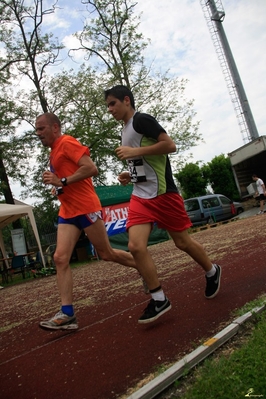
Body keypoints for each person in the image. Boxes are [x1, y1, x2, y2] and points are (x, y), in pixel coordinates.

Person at [104, 85, 222, 324]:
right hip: (140, 196)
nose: (110, 109)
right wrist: (130, 175)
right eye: (107, 106)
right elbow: (143, 161)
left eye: (112, 103)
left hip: (163, 194)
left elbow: (170, 146)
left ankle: (212, 270)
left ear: (126, 100)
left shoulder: (142, 120)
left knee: (182, 242)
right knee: (136, 246)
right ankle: (159, 298)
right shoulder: (125, 129)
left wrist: (134, 151)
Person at [36, 112, 139, 331]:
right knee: (60, 258)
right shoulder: (54, 151)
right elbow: (65, 180)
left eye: (41, 129)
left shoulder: (67, 142)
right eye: (36, 130)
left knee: (106, 254)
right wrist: (58, 185)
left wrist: (61, 180)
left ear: (55, 127)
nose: (38, 134)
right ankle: (67, 314)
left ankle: (145, 268)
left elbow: (92, 168)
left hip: (85, 207)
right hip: (67, 210)